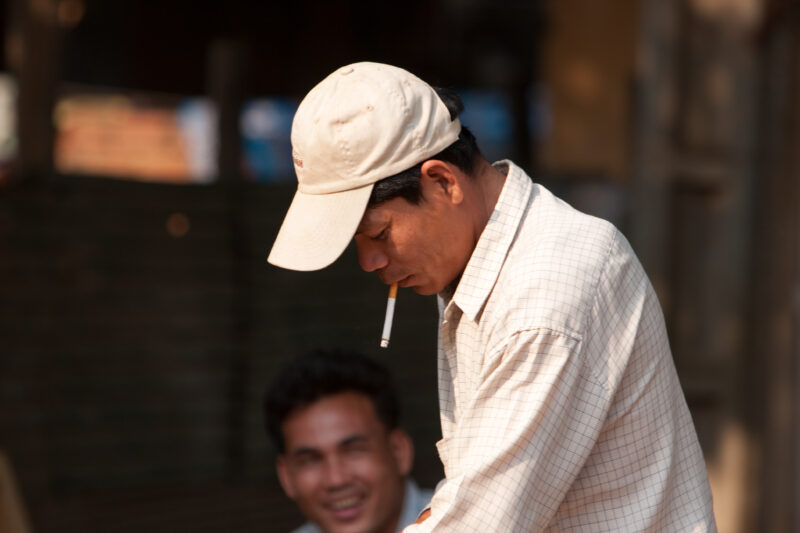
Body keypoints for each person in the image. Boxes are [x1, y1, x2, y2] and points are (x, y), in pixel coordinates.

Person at [267, 62, 716, 532]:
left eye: (378, 233)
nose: (370, 262)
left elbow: (480, 521)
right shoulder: (486, 265)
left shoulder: (545, 294)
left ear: (443, 182)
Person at [264, 349, 433, 533]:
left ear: (399, 451)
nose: (336, 480)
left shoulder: (462, 523)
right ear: (286, 477)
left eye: (354, 450)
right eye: (310, 460)